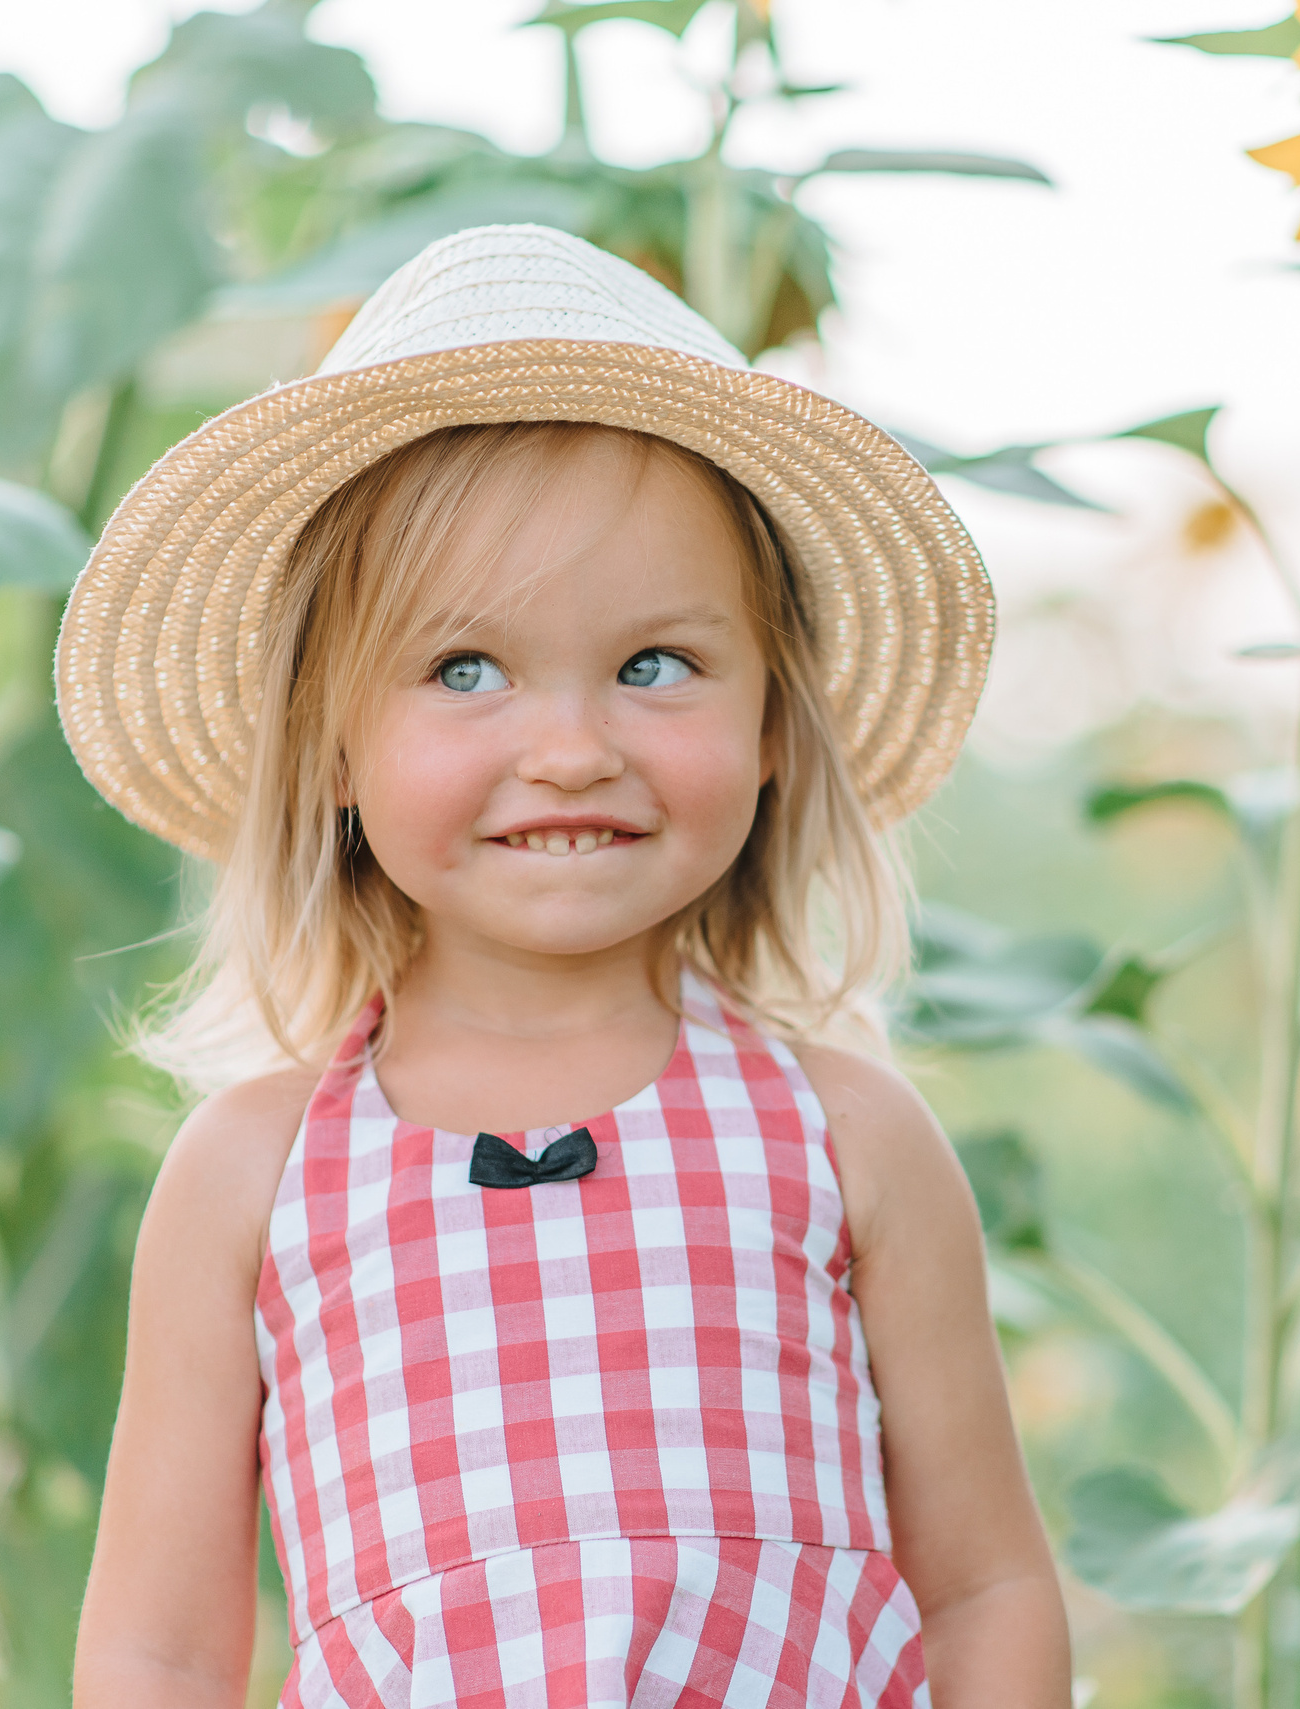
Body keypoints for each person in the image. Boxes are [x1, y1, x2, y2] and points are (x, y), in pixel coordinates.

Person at [63, 226, 1067, 1708]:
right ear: (331, 744)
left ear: (778, 718)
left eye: (656, 664)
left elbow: (985, 1585)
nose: (572, 748)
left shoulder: (847, 1140)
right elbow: (158, 1650)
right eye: (465, 670)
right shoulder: (250, 1178)